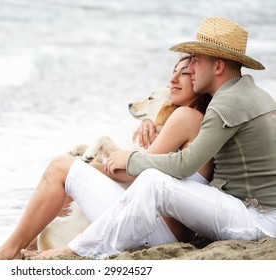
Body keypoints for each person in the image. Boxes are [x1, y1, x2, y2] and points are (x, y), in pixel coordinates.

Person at [21, 16, 276, 259]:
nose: (191, 68)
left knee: (154, 182)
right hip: (256, 212)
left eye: (196, 61)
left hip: (255, 219)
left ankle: (75, 250)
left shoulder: (227, 104)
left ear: (218, 66)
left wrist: (131, 160)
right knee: (152, 181)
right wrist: (153, 123)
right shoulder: (251, 95)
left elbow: (185, 164)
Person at [0, 54, 213, 260]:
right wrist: (149, 122)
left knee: (60, 167)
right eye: (173, 73)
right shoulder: (196, 119)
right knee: (70, 177)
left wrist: (90, 166)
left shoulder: (186, 116)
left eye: (185, 74)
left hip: (152, 228)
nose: (173, 80)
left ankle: (10, 249)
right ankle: (26, 244)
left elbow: (136, 172)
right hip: (159, 226)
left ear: (197, 82)